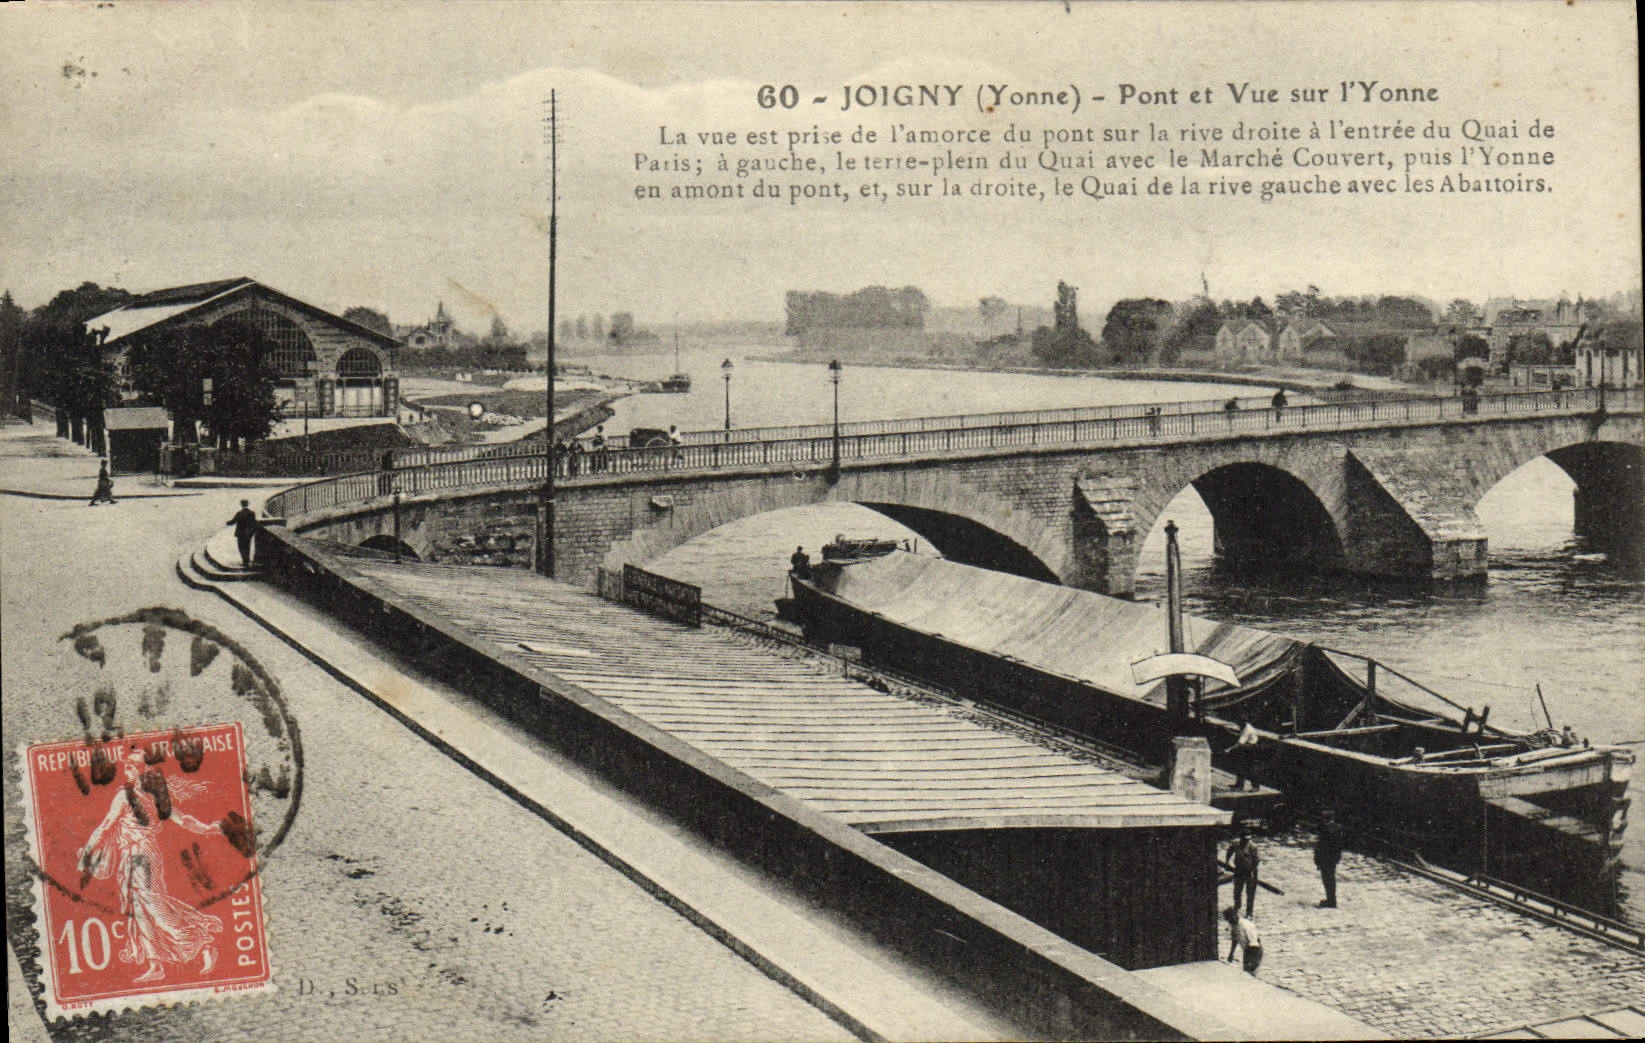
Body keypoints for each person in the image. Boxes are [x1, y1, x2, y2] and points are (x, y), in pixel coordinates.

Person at [79, 749, 224, 982]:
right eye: (126, 766)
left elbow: (107, 825)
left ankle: (202, 943)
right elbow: (182, 819)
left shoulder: (133, 796)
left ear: (140, 771)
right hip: (133, 855)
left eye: (132, 767)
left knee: (154, 906)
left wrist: (87, 853)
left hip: (141, 855)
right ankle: (156, 964)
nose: (127, 770)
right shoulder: (144, 795)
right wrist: (207, 828)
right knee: (139, 909)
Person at [1227, 828, 1261, 917]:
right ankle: (1237, 906)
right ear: (1241, 838)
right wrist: (1228, 862)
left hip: (1250, 871)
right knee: (1237, 891)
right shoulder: (1236, 844)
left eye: (1248, 839)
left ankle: (1249, 913)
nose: (1246, 841)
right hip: (1239, 870)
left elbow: (1256, 860)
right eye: (1244, 839)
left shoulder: (1253, 847)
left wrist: (1252, 872)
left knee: (1250, 893)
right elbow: (1229, 852)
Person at [1314, 808, 1344, 908]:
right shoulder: (1336, 828)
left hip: (1326, 859)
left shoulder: (1327, 830)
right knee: (1329, 879)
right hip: (1330, 859)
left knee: (1328, 880)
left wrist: (1318, 859)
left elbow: (1321, 846)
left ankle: (1331, 901)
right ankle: (1331, 899)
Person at [1223, 907, 1263, 975]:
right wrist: (1231, 953)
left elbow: (1254, 944)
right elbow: (1235, 939)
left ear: (1235, 916)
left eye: (1230, 920)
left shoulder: (1246, 926)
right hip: (1246, 950)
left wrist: (1251, 961)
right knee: (1246, 972)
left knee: (1251, 972)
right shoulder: (1233, 924)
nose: (1229, 922)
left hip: (1255, 950)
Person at [227, 500, 260, 568]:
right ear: (248, 504)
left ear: (241, 505)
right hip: (248, 533)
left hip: (240, 533)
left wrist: (227, 523)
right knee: (247, 546)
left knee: (241, 547)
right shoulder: (252, 513)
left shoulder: (239, 513)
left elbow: (233, 521)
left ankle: (245, 560)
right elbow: (254, 522)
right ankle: (247, 560)